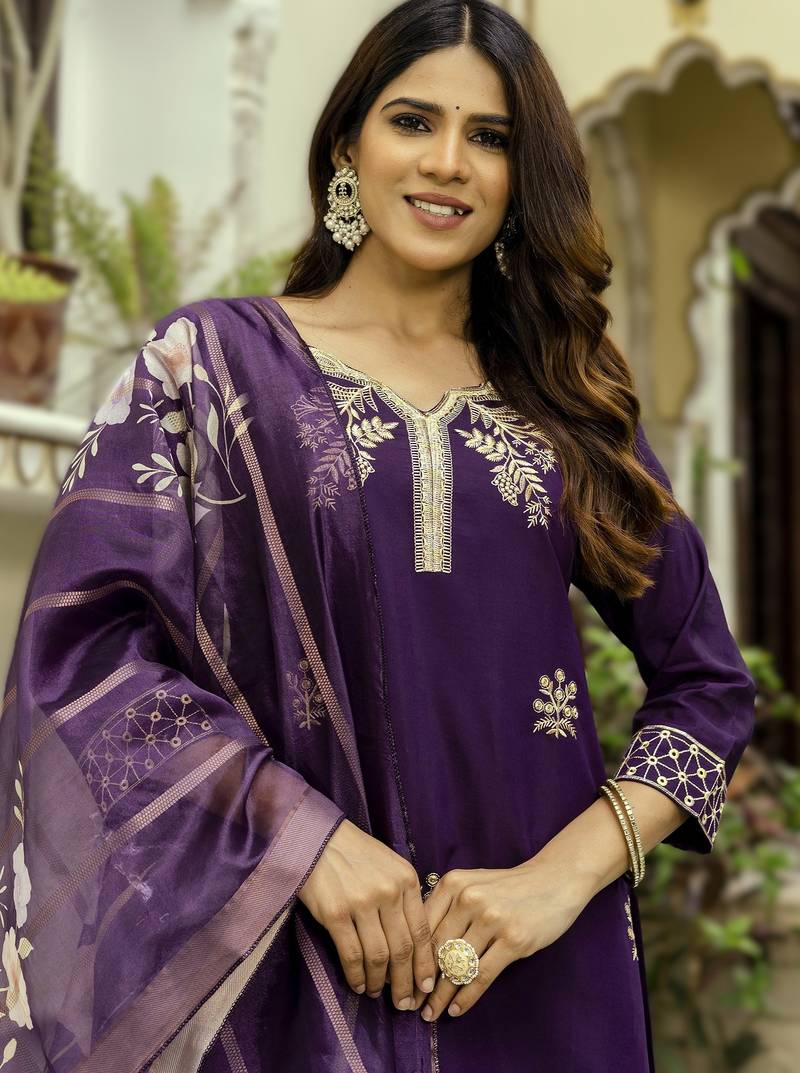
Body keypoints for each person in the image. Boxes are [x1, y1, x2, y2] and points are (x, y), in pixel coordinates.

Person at [0, 2, 756, 1071]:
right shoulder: (209, 367)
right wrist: (302, 838)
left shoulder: (567, 407)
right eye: (413, 121)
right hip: (297, 964)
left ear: (520, 176)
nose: (447, 162)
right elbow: (86, 655)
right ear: (349, 144)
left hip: (545, 978)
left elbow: (709, 688)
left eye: (489, 137)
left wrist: (560, 880)